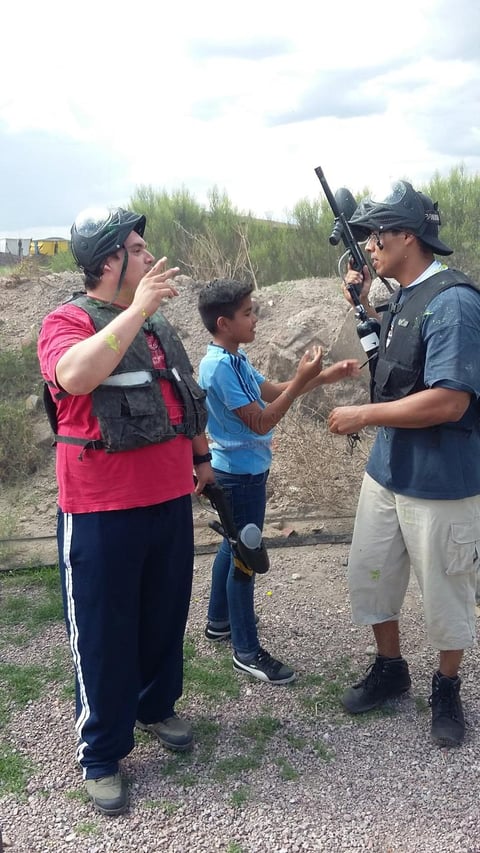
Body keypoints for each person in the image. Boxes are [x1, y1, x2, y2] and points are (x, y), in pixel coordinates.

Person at [37, 207, 214, 816]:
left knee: (163, 617)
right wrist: (138, 309)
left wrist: (203, 464)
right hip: (100, 507)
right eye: (137, 249)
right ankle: (103, 753)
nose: (148, 256)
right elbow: (74, 376)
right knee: (105, 632)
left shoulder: (160, 327)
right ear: (110, 260)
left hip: (168, 500)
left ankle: (155, 706)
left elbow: (183, 396)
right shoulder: (65, 321)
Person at [327, 181, 480, 747]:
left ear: (407, 237)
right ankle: (391, 669)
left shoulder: (456, 303)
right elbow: (399, 363)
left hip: (440, 482)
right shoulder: (408, 295)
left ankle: (447, 685)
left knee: (445, 591)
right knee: (372, 574)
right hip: (388, 472)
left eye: (376, 236)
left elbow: (450, 400)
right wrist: (363, 305)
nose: (369, 246)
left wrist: (366, 414)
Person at [197, 278, 360, 684]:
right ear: (224, 322)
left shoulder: (234, 358)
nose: (256, 317)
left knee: (232, 543)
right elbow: (263, 418)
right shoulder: (218, 367)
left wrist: (320, 377)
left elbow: (271, 391)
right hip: (240, 476)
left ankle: (219, 622)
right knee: (245, 558)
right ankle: (247, 651)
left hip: (245, 472)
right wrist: (305, 379)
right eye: (248, 313)